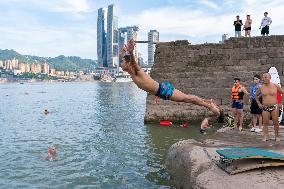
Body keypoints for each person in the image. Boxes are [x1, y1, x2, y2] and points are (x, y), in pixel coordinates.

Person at [121, 39, 221, 127]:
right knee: (187, 98)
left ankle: (210, 106)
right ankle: (208, 102)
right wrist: (124, 52)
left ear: (128, 64)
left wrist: (131, 52)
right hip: (161, 91)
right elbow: (128, 61)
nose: (121, 65)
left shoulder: (137, 72)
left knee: (187, 98)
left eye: (122, 62)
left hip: (163, 90)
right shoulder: (132, 73)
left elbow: (133, 62)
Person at [256, 73, 284, 142]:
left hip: (274, 106)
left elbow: (283, 92)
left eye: (266, 77)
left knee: (276, 122)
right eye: (263, 77)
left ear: (270, 78)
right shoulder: (261, 87)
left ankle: (277, 136)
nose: (264, 79)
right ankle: (266, 136)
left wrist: (281, 102)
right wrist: (259, 103)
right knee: (265, 122)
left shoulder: (275, 86)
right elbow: (256, 96)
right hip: (265, 107)